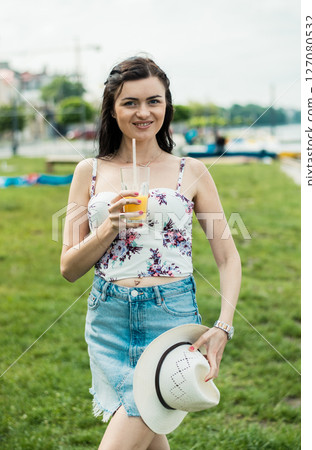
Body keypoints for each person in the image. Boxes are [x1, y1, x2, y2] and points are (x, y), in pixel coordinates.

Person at [60, 56, 241, 450]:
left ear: (166, 106)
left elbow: (227, 257)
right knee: (149, 435)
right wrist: (109, 227)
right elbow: (69, 268)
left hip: (169, 318)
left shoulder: (191, 172)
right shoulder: (86, 172)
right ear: (112, 107)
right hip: (108, 318)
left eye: (154, 101)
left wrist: (223, 326)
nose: (143, 112)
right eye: (130, 103)